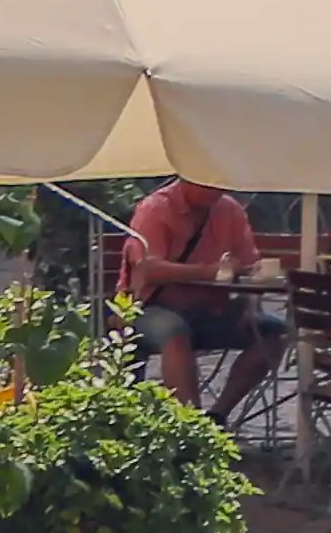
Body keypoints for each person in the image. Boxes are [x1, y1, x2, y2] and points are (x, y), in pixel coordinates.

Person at [118, 176, 277, 418]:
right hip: (149, 307)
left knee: (276, 332)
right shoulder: (156, 209)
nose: (215, 186)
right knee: (175, 331)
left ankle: (217, 416)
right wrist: (204, 272)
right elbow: (149, 269)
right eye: (206, 179)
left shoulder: (229, 209)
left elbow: (249, 266)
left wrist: (250, 302)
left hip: (210, 309)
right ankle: (190, 422)